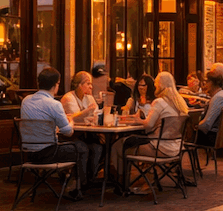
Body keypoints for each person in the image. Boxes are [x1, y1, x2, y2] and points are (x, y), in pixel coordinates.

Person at [20, 67, 98, 201]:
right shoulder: (54, 104)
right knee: (81, 148)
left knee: (79, 146)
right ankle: (74, 186)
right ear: (56, 85)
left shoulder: (25, 100)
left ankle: (74, 183)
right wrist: (71, 120)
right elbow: (68, 132)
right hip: (49, 153)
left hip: (29, 153)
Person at [110, 71, 189, 188]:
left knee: (118, 146)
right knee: (125, 143)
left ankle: (121, 183)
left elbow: (148, 125)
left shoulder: (160, 102)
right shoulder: (180, 103)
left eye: (156, 83)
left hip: (159, 148)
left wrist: (137, 119)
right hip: (176, 148)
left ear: (161, 85)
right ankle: (130, 181)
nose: (155, 86)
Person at [196, 71, 223, 146]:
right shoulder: (222, 94)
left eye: (207, 82)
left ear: (212, 83)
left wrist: (195, 126)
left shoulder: (218, 98)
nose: (205, 85)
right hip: (216, 134)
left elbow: (207, 124)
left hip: (211, 136)